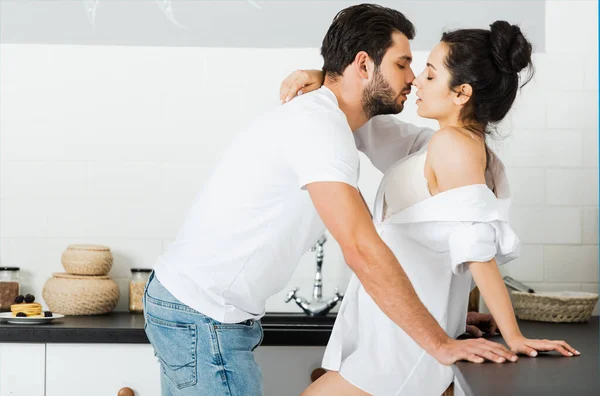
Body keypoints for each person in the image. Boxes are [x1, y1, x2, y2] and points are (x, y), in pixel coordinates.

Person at [143, 4, 522, 395]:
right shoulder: (320, 127)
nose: (412, 79)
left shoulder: (376, 132)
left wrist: (447, 318)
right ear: (363, 65)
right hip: (201, 316)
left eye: (425, 71)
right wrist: (439, 341)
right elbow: (360, 247)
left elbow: (446, 194)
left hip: (199, 310)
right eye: (404, 65)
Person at [281, 20, 579, 396]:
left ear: (461, 93)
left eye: (431, 74)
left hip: (403, 350)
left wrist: (514, 336)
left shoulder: (453, 147)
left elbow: (477, 250)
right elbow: (365, 126)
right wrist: (326, 78)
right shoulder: (436, 144)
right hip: (392, 337)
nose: (416, 81)